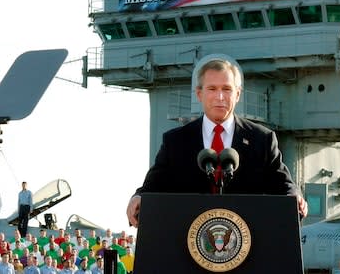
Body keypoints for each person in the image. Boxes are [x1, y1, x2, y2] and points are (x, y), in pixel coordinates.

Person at [126, 58, 308, 227]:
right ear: (199, 94)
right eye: (212, 89)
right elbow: (154, 186)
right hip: (188, 244)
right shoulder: (175, 141)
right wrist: (139, 197)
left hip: (249, 246)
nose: (220, 97)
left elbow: (283, 185)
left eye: (227, 89)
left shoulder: (262, 139)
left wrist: (295, 197)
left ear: (238, 94)